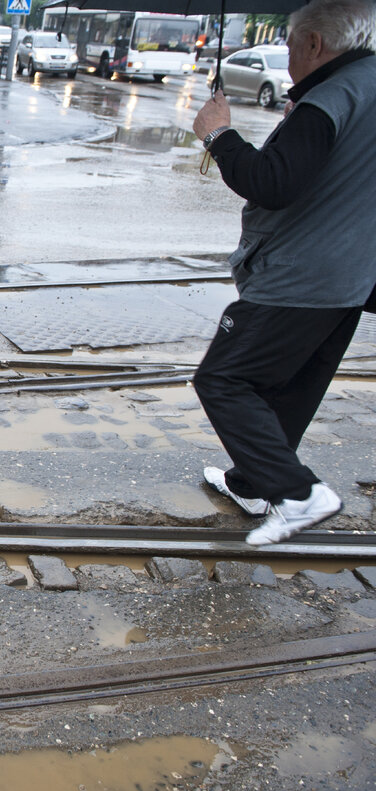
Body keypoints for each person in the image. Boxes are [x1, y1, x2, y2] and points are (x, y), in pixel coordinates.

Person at [190, 0, 376, 546]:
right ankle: (253, 483)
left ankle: (298, 494)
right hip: (352, 272)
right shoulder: (366, 86)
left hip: (303, 272)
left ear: (315, 45)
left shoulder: (333, 95)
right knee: (290, 385)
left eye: (292, 46)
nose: (289, 56)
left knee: (222, 380)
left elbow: (271, 182)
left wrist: (218, 134)